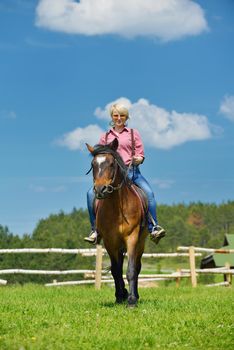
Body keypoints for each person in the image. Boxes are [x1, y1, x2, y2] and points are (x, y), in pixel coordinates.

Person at [84, 103, 166, 244]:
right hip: (111, 175)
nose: (119, 118)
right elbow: (100, 155)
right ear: (112, 117)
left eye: (122, 115)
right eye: (116, 115)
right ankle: (95, 230)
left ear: (126, 117)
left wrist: (139, 159)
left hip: (132, 172)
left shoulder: (133, 134)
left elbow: (141, 154)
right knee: (90, 194)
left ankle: (153, 227)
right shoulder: (105, 136)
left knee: (149, 194)